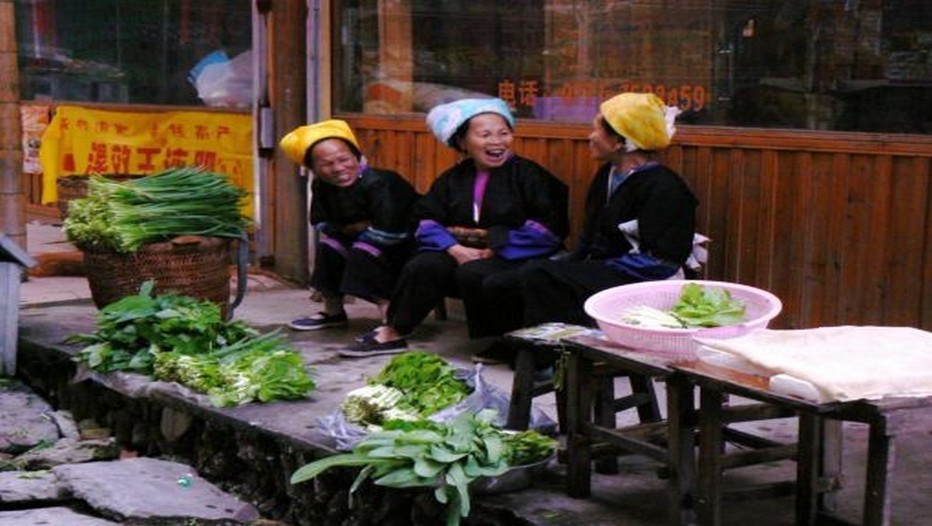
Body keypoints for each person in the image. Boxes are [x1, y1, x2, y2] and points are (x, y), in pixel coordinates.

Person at [340, 98, 569, 357]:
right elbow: (425, 217)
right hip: (461, 249)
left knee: (477, 274)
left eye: (503, 133)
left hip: (514, 251)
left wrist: (496, 247)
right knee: (424, 265)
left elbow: (549, 226)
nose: (497, 141)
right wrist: (453, 248)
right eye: (485, 135)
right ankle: (396, 330)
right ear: (463, 143)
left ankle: (504, 341)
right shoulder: (453, 179)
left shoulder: (531, 176)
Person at [520, 92, 698, 329]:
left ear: (619, 142)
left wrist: (595, 268)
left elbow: (663, 260)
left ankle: (553, 354)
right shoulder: (608, 174)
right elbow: (590, 234)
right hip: (610, 267)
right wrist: (574, 263)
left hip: (645, 278)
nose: (590, 137)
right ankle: (524, 346)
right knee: (529, 271)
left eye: (596, 130)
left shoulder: (666, 187)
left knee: (541, 275)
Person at [279, 119, 419, 331]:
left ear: (357, 156)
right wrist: (352, 230)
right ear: (313, 169)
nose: (338, 168)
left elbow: (392, 231)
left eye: (344, 159)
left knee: (363, 251)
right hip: (360, 240)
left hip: (403, 245)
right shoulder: (321, 185)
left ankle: (392, 320)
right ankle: (333, 311)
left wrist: (356, 234)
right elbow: (321, 222)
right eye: (326, 164)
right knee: (330, 247)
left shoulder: (381, 182)